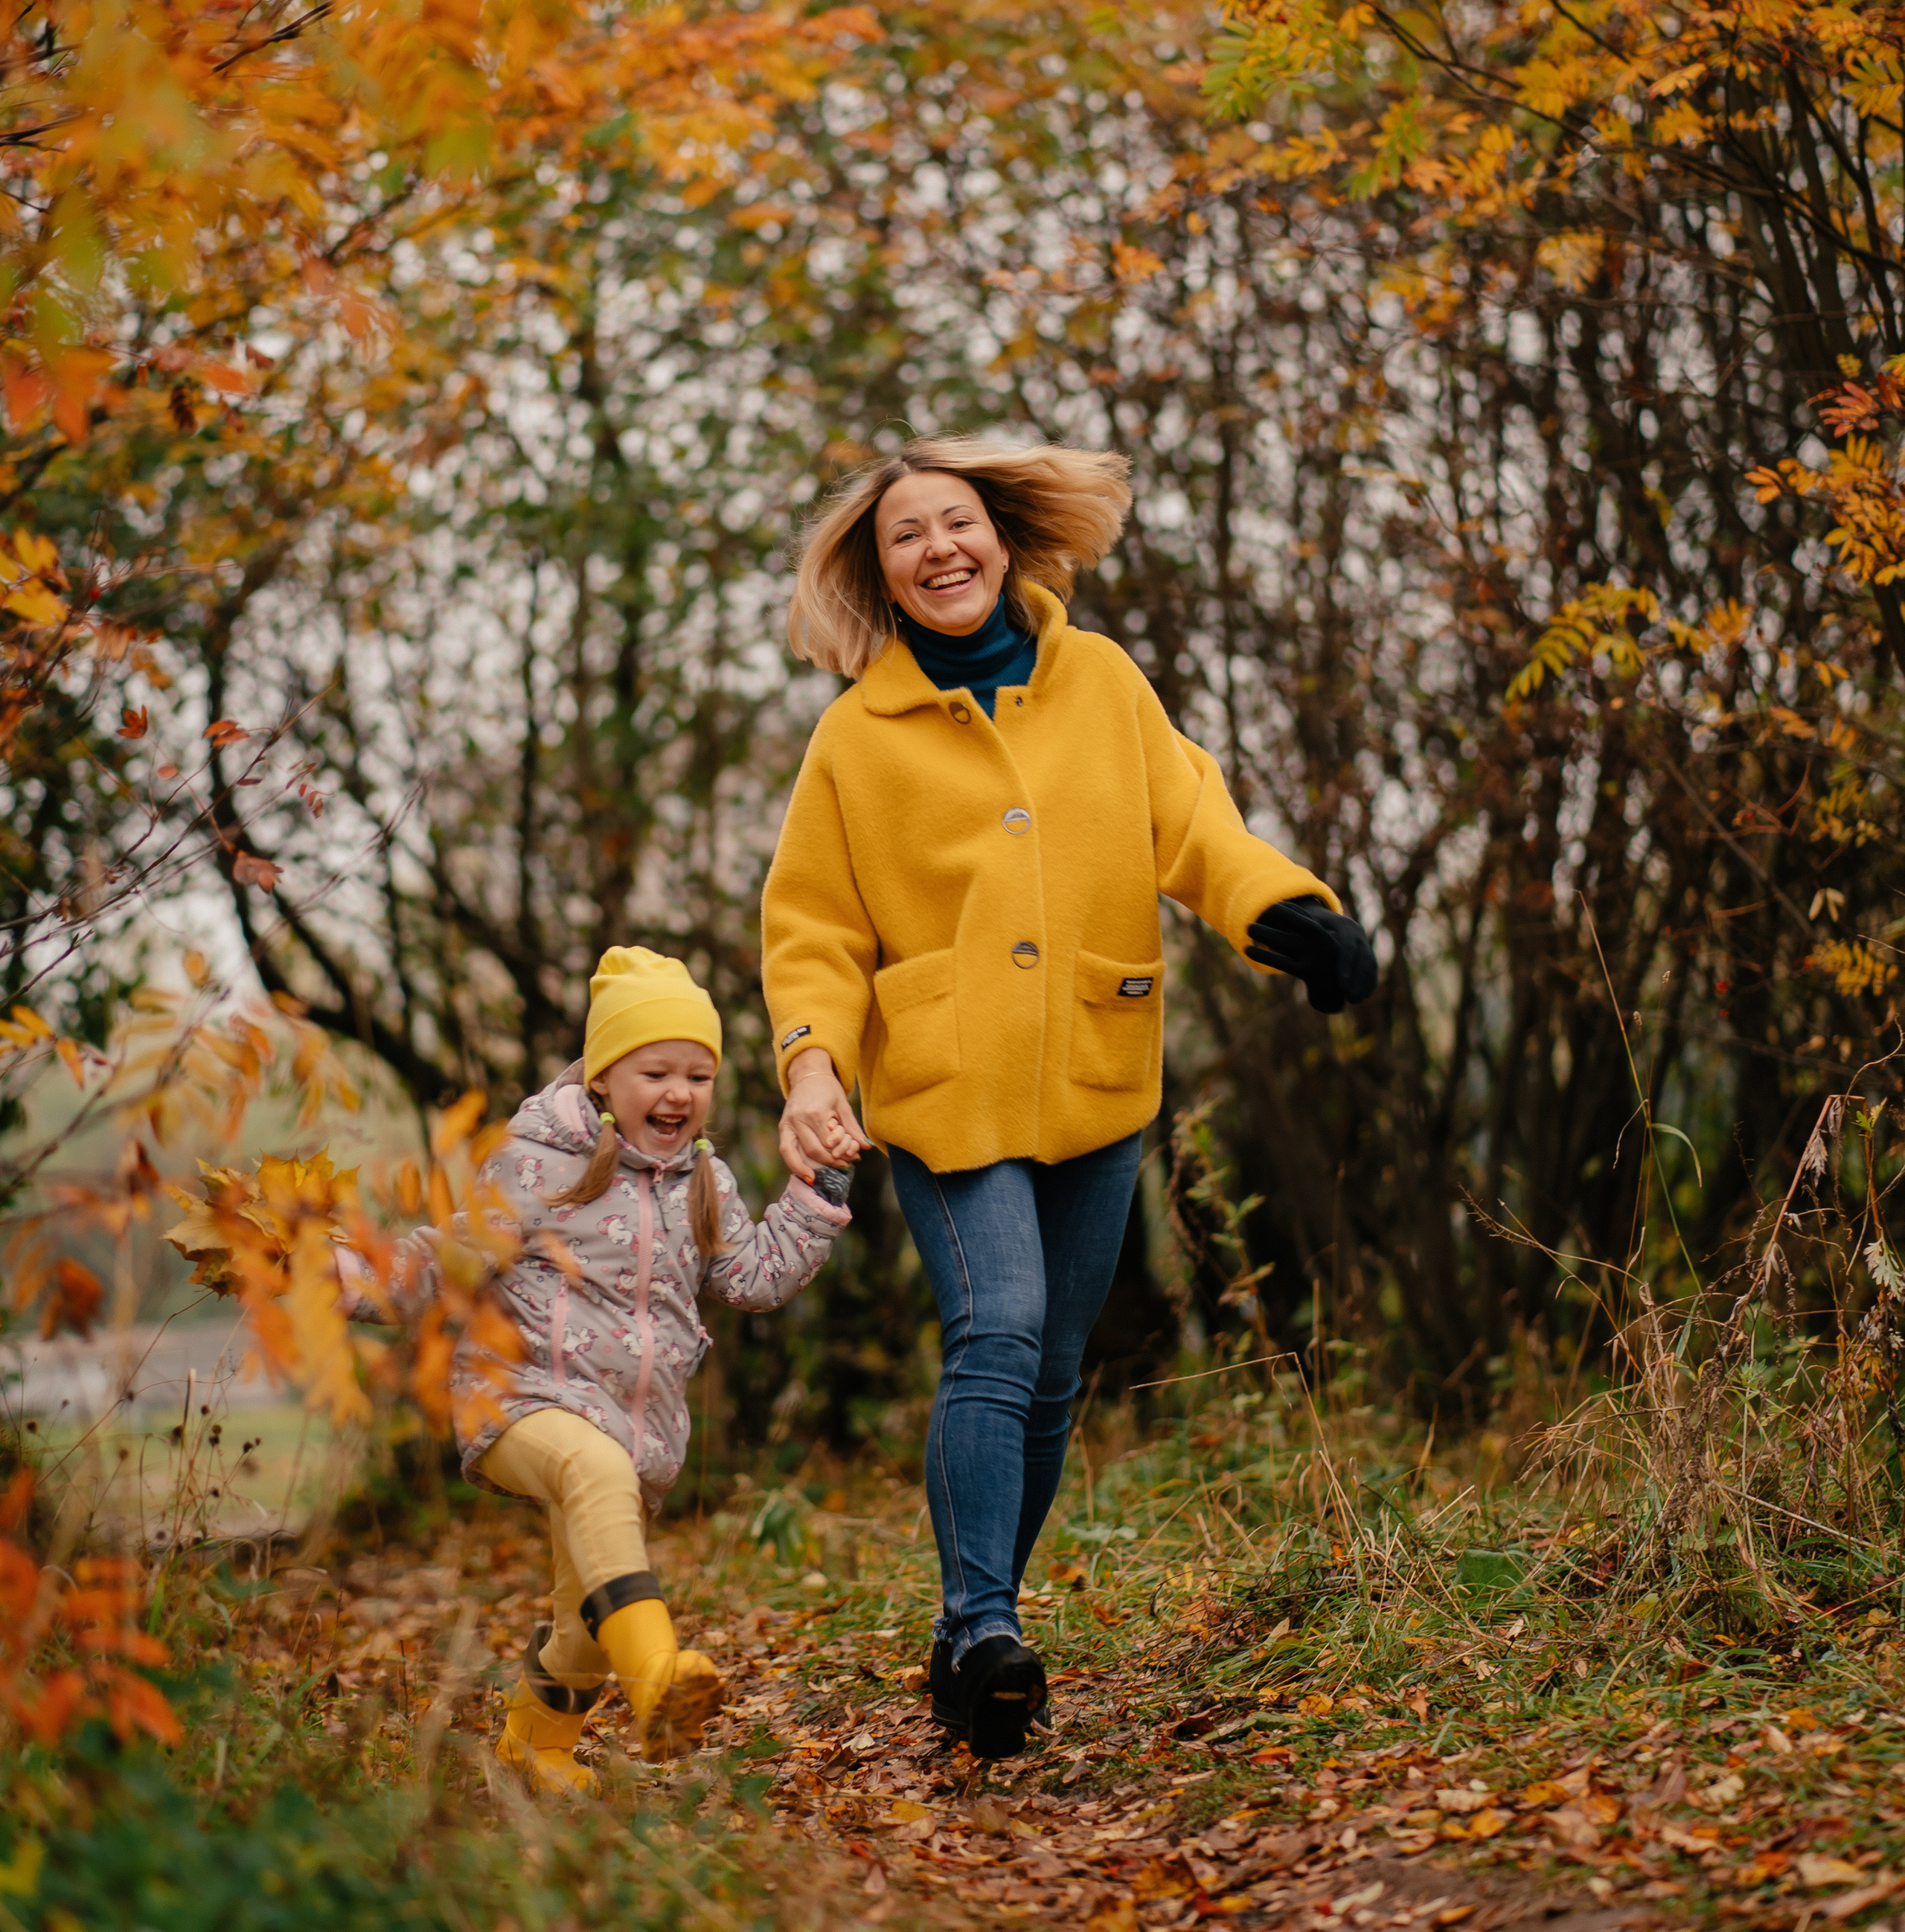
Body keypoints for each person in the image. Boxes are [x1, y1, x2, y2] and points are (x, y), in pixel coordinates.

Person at [761, 439, 1375, 1759]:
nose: (938, 550)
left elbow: (1195, 828)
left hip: (1101, 1074)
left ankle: (968, 1635)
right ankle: (983, 1627)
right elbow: (811, 924)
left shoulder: (1100, 682)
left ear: (1006, 537)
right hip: (942, 1090)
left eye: (957, 523)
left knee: (1051, 1378)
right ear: (881, 576)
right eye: (906, 537)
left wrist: (1290, 914)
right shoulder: (855, 739)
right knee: (1002, 1329)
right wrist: (812, 1061)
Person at [346, 945, 849, 1794]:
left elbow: (752, 1280)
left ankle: (535, 1748)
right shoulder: (539, 1163)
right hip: (521, 1398)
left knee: (584, 1614)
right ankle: (656, 1677)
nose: (680, 1093)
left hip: (637, 1426)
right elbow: (449, 1263)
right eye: (656, 1071)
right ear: (605, 1079)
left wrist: (815, 1193)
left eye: (699, 1074)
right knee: (593, 1469)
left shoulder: (704, 1181)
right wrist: (334, 1275)